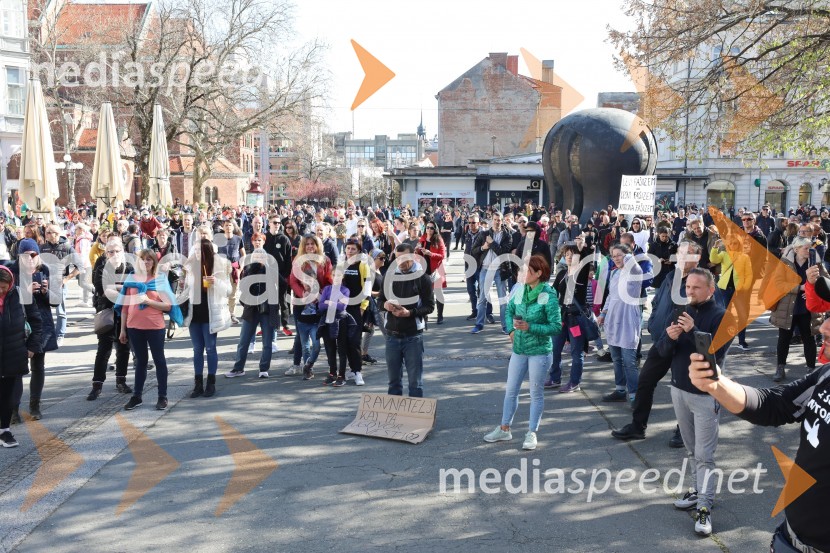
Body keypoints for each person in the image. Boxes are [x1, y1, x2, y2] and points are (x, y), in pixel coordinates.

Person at [687, 331, 830, 551]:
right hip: (790, 537)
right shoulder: (826, 376)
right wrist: (716, 385)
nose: (825, 327)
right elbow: (775, 404)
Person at [654, 268, 729, 536]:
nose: (690, 292)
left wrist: (693, 329)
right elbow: (662, 351)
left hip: (706, 395)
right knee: (690, 450)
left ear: (710, 289)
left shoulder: (720, 316)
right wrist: (671, 338)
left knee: (704, 456)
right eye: (687, 287)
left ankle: (705, 508)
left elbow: (714, 357)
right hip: (679, 390)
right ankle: (699, 491)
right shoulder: (680, 312)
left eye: (696, 288)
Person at [483, 254, 561, 450]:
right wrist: (510, 330)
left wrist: (530, 327)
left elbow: (556, 327)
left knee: (536, 393)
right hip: (519, 349)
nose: (521, 273)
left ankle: (532, 432)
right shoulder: (521, 290)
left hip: (540, 352)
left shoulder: (547, 295)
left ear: (539, 273)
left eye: (526, 270)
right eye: (521, 270)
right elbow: (509, 311)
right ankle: (504, 428)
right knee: (511, 391)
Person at [116, 249, 176, 411]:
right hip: (134, 327)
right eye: (143, 259)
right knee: (140, 362)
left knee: (159, 361)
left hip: (155, 327)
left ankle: (162, 396)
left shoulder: (160, 280)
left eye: (149, 259)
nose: (146, 262)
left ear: (154, 263)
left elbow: (168, 306)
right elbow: (125, 307)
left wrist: (148, 301)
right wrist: (122, 330)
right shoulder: (131, 279)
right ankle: (137, 396)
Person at [8, 239, 58, 422]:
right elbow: (5, 298)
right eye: (26, 255)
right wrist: (25, 291)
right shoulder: (12, 272)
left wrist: (46, 292)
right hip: (18, 324)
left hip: (40, 324)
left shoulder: (44, 270)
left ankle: (35, 406)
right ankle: (13, 409)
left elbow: (56, 301)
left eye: (34, 255)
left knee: (38, 366)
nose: (30, 258)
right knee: (16, 369)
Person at [378, 243, 435, 397]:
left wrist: (409, 313)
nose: (401, 263)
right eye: (397, 259)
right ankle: (394, 418)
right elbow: (379, 301)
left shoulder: (423, 278)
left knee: (415, 383)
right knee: (393, 383)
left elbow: (430, 307)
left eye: (404, 259)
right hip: (391, 336)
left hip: (413, 337)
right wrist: (385, 305)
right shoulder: (388, 277)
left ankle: (415, 419)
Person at [226, 232, 280, 379]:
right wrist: (245, 302)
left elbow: (281, 283)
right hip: (251, 309)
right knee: (243, 341)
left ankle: (264, 369)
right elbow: (242, 288)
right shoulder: (249, 269)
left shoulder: (271, 269)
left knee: (267, 342)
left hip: (267, 309)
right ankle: (238, 368)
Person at [770, 237, 825, 382]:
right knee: (784, 339)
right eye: (805, 248)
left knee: (809, 339)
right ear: (796, 249)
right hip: (788, 308)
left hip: (809, 309)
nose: (809, 251)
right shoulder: (785, 263)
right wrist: (800, 288)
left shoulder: (815, 263)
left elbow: (826, 280)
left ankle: (811, 369)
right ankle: (780, 368)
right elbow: (778, 283)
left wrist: (815, 286)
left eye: (809, 248)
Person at [0, 265, 42, 447]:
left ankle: (5, 431)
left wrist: (32, 346)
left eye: (4, 287)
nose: (1, 290)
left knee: (10, 395)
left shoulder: (22, 295)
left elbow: (36, 321)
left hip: (15, 351)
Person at [183, 238, 232, 398]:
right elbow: (184, 291)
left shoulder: (218, 267)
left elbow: (228, 291)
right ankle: (198, 384)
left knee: (210, 348)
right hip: (194, 314)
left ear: (208, 251)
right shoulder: (190, 268)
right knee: (197, 350)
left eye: (201, 250)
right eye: (196, 250)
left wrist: (216, 281)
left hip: (211, 314)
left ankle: (211, 383)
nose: (198, 253)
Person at [87, 237, 133, 401]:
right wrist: (121, 287)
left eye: (117, 251)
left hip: (125, 312)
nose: (114, 254)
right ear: (106, 253)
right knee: (104, 349)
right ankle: (97, 385)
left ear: (122, 251)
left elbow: (133, 288)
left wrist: (114, 287)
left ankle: (121, 381)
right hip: (106, 311)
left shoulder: (128, 266)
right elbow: (102, 289)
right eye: (110, 251)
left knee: (124, 347)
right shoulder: (101, 266)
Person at [598, 244, 643, 406]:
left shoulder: (634, 271)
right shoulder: (615, 273)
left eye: (619, 255)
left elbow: (632, 262)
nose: (616, 258)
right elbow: (611, 295)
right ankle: (620, 390)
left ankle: (635, 395)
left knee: (629, 360)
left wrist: (627, 255)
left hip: (628, 319)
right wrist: (603, 313)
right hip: (613, 320)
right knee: (616, 358)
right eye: (613, 256)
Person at [546, 244, 591, 392]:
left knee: (576, 352)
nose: (570, 257)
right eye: (567, 254)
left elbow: (587, 261)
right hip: (562, 317)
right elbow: (552, 292)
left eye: (573, 254)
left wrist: (583, 247)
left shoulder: (581, 273)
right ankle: (555, 378)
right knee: (555, 349)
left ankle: (574, 382)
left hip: (576, 319)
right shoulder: (562, 274)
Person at [288, 235, 332, 379]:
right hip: (302, 303)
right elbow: (293, 281)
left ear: (318, 246)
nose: (310, 247)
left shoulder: (325, 261)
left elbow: (328, 280)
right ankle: (299, 365)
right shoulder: (298, 260)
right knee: (301, 336)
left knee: (319, 335)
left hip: (319, 302)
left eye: (312, 244)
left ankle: (320, 365)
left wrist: (321, 296)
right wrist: (303, 295)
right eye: (307, 244)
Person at [471, 212, 513, 334]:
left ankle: (505, 326)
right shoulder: (483, 234)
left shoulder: (507, 235)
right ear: (491, 221)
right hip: (485, 269)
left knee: (502, 299)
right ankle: (479, 324)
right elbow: (473, 250)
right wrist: (483, 247)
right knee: (482, 299)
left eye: (499, 220)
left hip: (500, 270)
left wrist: (492, 243)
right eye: (495, 219)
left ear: (502, 221)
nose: (497, 222)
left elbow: (503, 252)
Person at [417, 221, 447, 325]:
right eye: (427, 227)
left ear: (435, 229)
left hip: (435, 270)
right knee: (424, 295)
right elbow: (419, 254)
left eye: (431, 228)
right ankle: (424, 316)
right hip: (424, 271)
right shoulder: (423, 238)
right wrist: (417, 250)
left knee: (439, 294)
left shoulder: (438, 239)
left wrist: (431, 254)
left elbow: (442, 255)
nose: (429, 230)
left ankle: (440, 316)